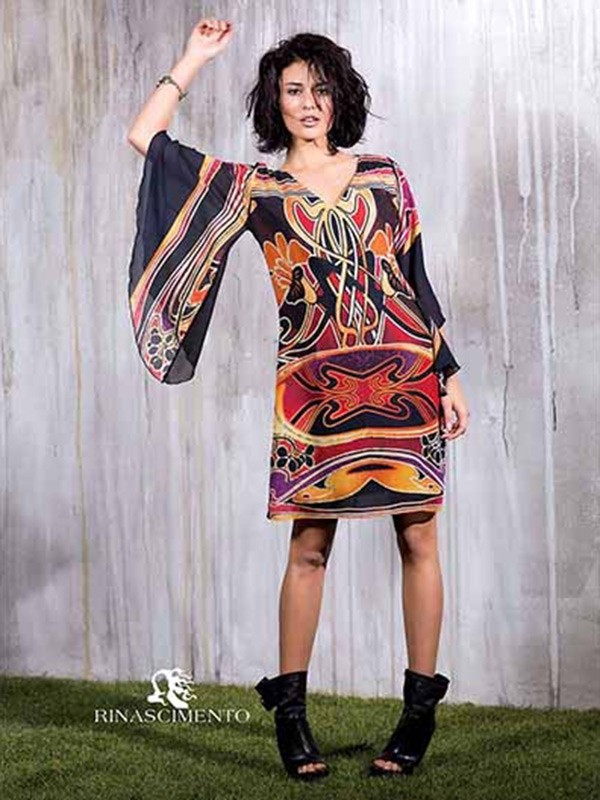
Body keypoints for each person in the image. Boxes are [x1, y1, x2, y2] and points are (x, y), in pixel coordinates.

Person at [127, 18, 470, 782]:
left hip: (407, 379)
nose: (308, 103)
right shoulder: (255, 189)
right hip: (314, 391)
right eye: (293, 90)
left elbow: (417, 281)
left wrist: (449, 374)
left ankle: (418, 713)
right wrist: (193, 57)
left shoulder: (385, 175)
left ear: (338, 97)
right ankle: (292, 717)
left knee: (419, 540)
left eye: (320, 89)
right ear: (274, 103)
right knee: (308, 549)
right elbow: (144, 137)